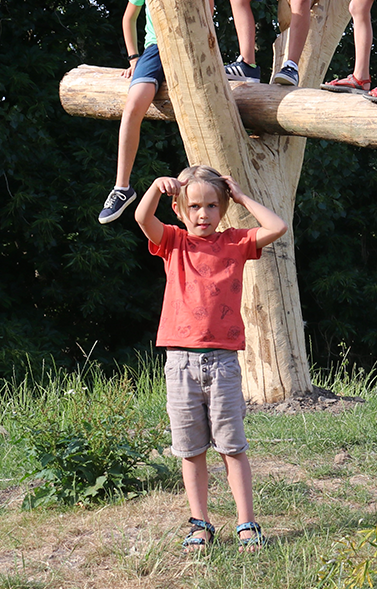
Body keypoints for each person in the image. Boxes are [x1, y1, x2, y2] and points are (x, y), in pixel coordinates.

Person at [134, 164, 287, 550]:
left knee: (232, 447)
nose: (204, 214)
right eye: (195, 206)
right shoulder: (173, 243)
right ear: (180, 210)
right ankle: (199, 523)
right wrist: (155, 187)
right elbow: (141, 216)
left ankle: (246, 523)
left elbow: (278, 226)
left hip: (222, 363)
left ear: (223, 208)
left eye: (213, 206)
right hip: (180, 362)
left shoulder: (236, 242)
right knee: (191, 450)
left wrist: (240, 196)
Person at [98, 0, 215, 224]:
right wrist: (134, 57)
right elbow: (129, 18)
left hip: (190, 49)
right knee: (134, 104)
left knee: (203, 107)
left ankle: (213, 187)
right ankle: (122, 187)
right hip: (156, 49)